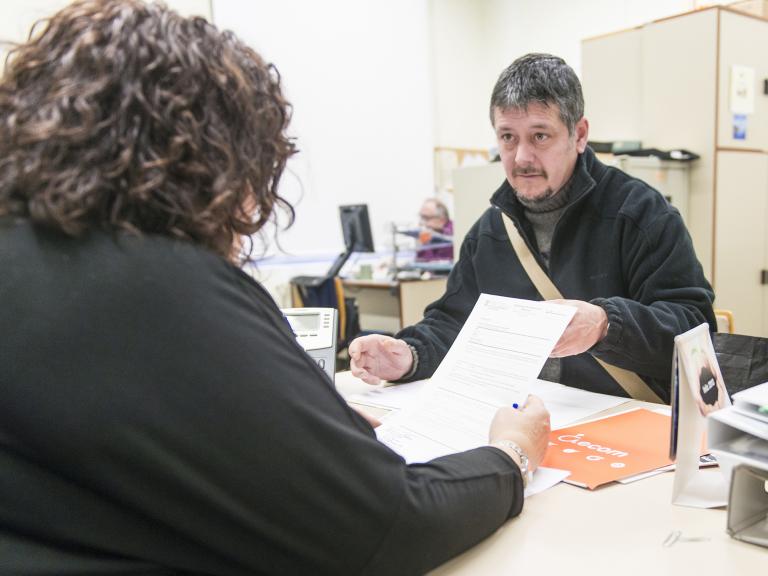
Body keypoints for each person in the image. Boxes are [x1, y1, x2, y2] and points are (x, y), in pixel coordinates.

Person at [0, 2, 551, 574]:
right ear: (217, 160)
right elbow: (389, 525)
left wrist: (294, 426)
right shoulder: (167, 288)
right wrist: (509, 454)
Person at [350, 53, 716, 403]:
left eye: (540, 135)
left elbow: (695, 328)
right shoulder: (489, 232)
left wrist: (606, 324)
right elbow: (454, 323)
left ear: (580, 134)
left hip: (628, 422)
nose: (521, 157)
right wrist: (408, 355)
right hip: (528, 419)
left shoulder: (639, 213)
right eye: (508, 137)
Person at [415, 197, 454, 262]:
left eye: (426, 218)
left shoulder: (451, 232)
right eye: (421, 217)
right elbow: (420, 259)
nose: (422, 223)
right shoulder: (430, 233)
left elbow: (439, 263)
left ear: (442, 219)